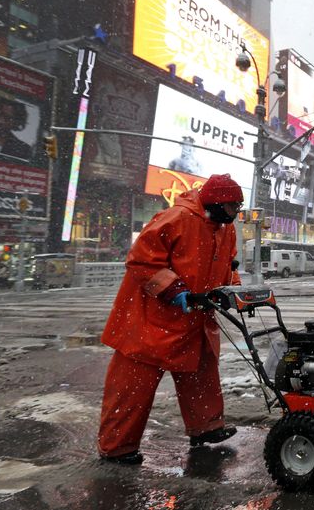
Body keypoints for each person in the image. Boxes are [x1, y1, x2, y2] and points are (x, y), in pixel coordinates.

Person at [97, 174, 245, 465]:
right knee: (131, 389)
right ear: (216, 203)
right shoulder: (175, 218)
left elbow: (228, 264)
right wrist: (174, 288)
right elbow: (141, 260)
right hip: (150, 322)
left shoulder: (224, 228)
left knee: (201, 375)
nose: (234, 214)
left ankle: (206, 429)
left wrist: (232, 288)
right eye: (231, 208)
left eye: (237, 208)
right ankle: (117, 447)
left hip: (195, 319)